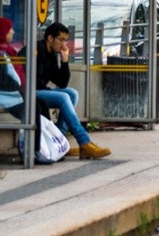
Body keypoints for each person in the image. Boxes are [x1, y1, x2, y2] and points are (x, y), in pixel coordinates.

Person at [33, 22, 110, 159]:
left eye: (65, 40)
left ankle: (60, 141)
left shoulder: (52, 54)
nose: (63, 44)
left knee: (72, 93)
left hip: (40, 90)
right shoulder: (37, 50)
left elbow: (62, 82)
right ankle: (84, 142)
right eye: (61, 40)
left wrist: (64, 60)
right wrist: (50, 91)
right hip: (28, 92)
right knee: (63, 97)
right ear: (50, 38)